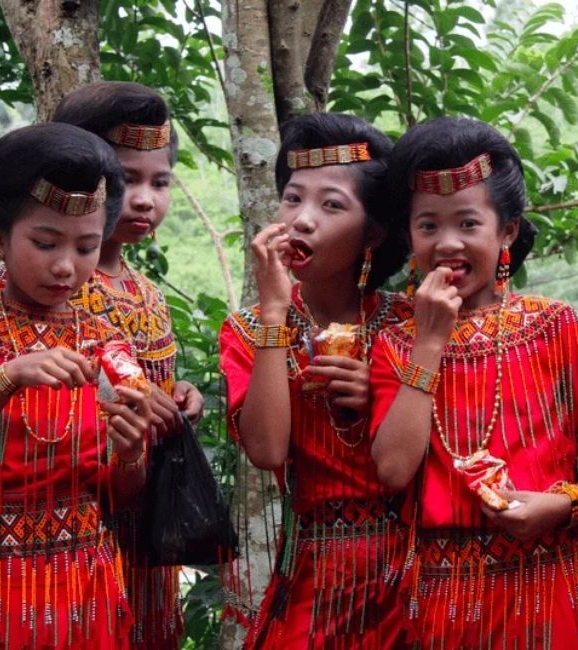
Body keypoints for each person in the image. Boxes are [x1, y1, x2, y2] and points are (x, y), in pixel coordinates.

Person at [369, 117, 578, 648]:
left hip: (550, 582)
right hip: (442, 596)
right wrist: (429, 342)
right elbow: (392, 469)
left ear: (508, 232)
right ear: (409, 235)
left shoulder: (555, 326)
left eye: (468, 224)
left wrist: (566, 502)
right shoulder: (396, 344)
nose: (447, 243)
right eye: (428, 226)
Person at [0, 123, 152, 649]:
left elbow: (121, 496)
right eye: (45, 242)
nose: (65, 266)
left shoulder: (108, 342)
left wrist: (133, 452)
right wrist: (6, 380)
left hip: (86, 582)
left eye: (87, 246)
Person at [219, 112, 410, 648]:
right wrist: (275, 313)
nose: (301, 220)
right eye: (292, 199)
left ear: (372, 232)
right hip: (316, 567)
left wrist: (383, 396)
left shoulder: (413, 322)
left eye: (331, 205)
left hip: (415, 566)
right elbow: (266, 449)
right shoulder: (247, 330)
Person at [53, 81, 204, 649]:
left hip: (146, 528)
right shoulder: (54, 286)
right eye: (126, 179)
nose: (144, 199)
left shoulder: (147, 292)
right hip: (77, 522)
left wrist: (180, 395)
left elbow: (149, 379)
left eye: (159, 181)